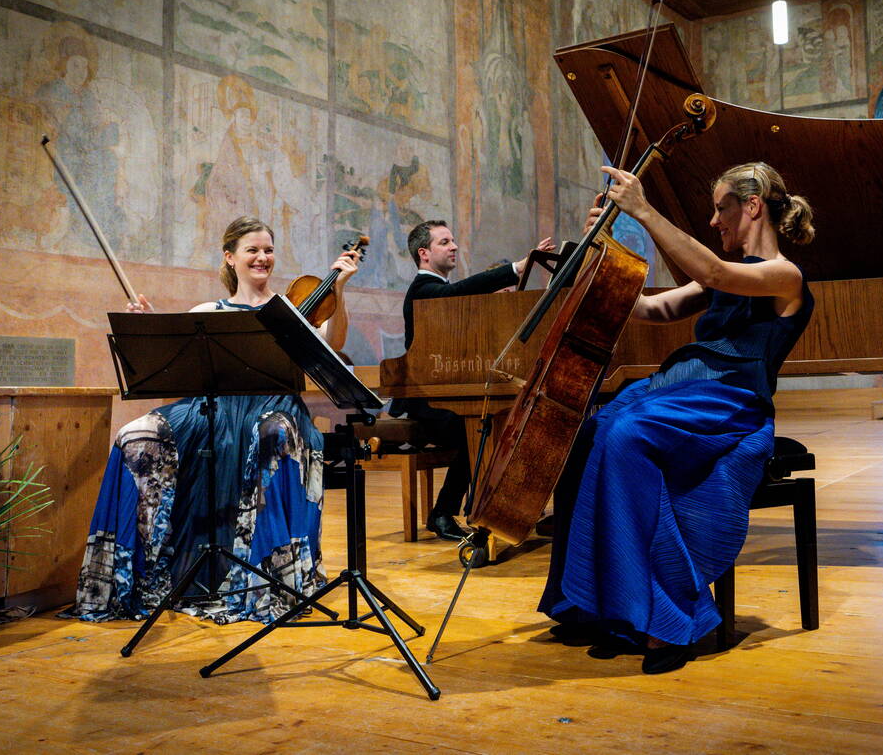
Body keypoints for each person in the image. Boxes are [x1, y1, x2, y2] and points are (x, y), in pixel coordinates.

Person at [539, 161, 816, 674]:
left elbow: (712, 270)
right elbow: (653, 310)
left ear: (751, 206)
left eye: (720, 208)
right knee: (588, 430)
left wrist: (643, 209)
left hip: (731, 399)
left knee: (625, 433)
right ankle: (592, 602)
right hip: (684, 388)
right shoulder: (729, 279)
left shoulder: (783, 275)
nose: (715, 221)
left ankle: (665, 618)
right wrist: (600, 254)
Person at [66, 216, 360, 624]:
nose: (263, 258)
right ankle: (134, 578)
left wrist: (339, 291)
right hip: (216, 410)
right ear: (230, 257)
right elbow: (179, 366)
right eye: (253, 250)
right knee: (137, 434)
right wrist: (153, 327)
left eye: (269, 250)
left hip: (275, 409)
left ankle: (269, 582)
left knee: (271, 433)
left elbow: (334, 342)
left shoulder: (289, 311)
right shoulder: (208, 311)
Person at [390, 220, 553, 540]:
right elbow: (455, 292)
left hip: (446, 394)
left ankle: (497, 507)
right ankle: (446, 511)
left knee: (502, 421)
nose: (454, 246)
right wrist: (516, 268)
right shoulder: (424, 289)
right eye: (444, 242)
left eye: (453, 240)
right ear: (424, 253)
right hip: (427, 402)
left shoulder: (440, 292)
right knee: (482, 427)